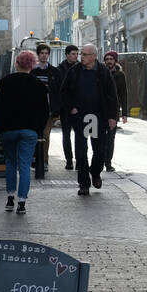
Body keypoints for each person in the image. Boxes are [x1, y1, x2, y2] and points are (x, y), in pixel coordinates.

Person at [59, 44, 120, 197]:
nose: (82, 57)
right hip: (80, 117)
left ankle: (95, 172)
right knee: (80, 152)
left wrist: (113, 117)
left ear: (94, 56)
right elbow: (64, 91)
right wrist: (71, 108)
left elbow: (112, 96)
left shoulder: (103, 72)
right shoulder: (75, 71)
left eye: (85, 54)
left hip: (98, 117)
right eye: (81, 54)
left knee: (99, 151)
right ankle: (84, 184)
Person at [0, 50, 51, 214]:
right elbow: (44, 111)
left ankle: (10, 198)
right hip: (29, 130)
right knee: (25, 165)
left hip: (9, 130)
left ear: (17, 63)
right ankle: (22, 202)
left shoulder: (5, 82)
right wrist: (38, 129)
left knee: (11, 163)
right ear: (32, 65)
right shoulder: (39, 85)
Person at [29, 42, 60, 170]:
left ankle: (45, 160)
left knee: (46, 135)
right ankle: (35, 158)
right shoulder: (33, 71)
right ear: (38, 55)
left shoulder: (54, 71)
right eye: (42, 53)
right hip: (35, 109)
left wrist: (57, 110)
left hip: (48, 109)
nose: (44, 55)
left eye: (46, 53)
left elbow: (58, 91)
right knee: (35, 135)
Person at [103, 50, 128, 172]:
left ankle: (108, 163)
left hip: (114, 110)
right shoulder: (101, 73)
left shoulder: (120, 75)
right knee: (101, 137)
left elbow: (124, 95)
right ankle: (100, 159)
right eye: (107, 59)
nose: (109, 61)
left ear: (115, 61)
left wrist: (125, 114)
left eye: (111, 59)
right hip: (101, 110)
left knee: (111, 138)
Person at [57, 44, 79, 169]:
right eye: (73, 54)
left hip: (79, 107)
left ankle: (79, 158)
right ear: (67, 55)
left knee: (79, 135)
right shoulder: (60, 69)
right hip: (65, 108)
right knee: (66, 135)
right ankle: (69, 160)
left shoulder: (81, 68)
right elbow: (60, 90)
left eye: (77, 54)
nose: (76, 56)